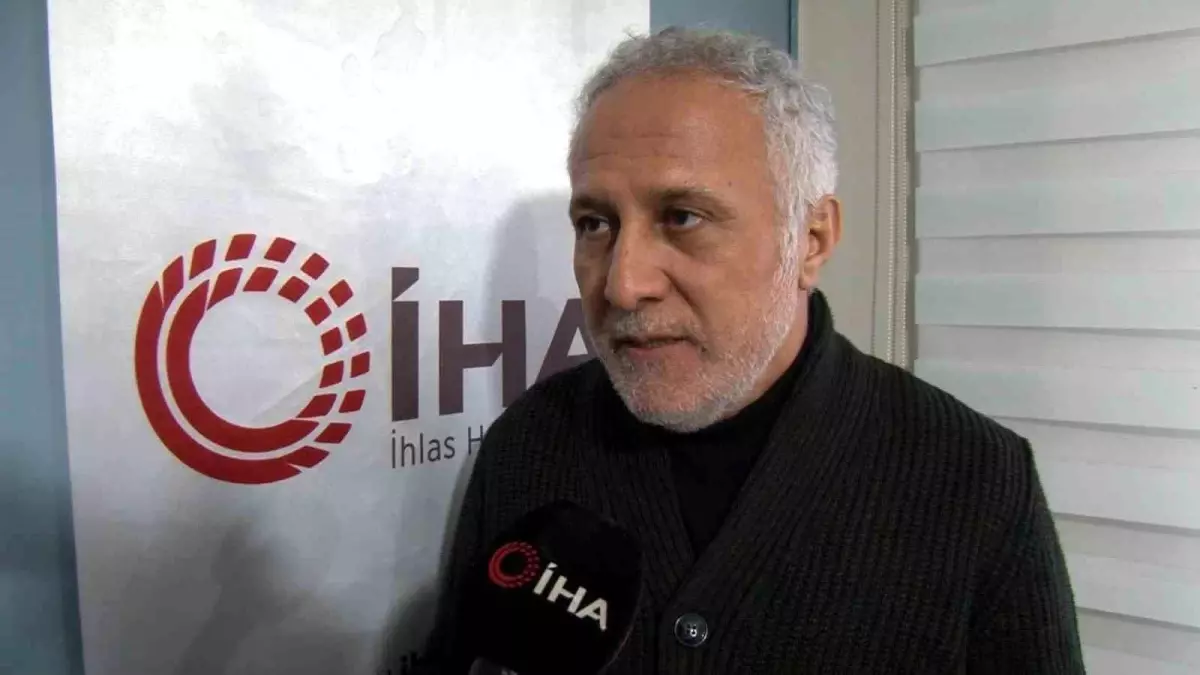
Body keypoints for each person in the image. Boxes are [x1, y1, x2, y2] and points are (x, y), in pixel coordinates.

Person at [416, 27, 1084, 673]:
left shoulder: (976, 482)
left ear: (811, 240)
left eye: (683, 217)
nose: (623, 283)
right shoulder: (531, 444)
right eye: (595, 224)